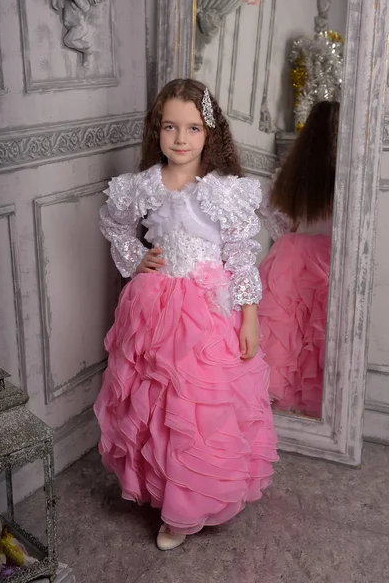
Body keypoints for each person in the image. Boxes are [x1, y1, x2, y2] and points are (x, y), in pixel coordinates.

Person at [94, 78, 278, 550]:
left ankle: (196, 499)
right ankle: (169, 499)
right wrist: (137, 257)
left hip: (208, 314)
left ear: (209, 133)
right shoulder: (141, 186)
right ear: (157, 130)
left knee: (200, 408)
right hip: (154, 307)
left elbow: (240, 254)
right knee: (158, 404)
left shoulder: (224, 191)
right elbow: (114, 225)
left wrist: (250, 317)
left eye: (193, 129)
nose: (180, 139)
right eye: (171, 127)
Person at [257, 100, 339, 417]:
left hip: (293, 255)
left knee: (292, 332)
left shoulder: (291, 175)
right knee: (318, 334)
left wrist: (294, 237)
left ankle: (288, 401)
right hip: (328, 255)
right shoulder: (346, 178)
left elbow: (275, 219)